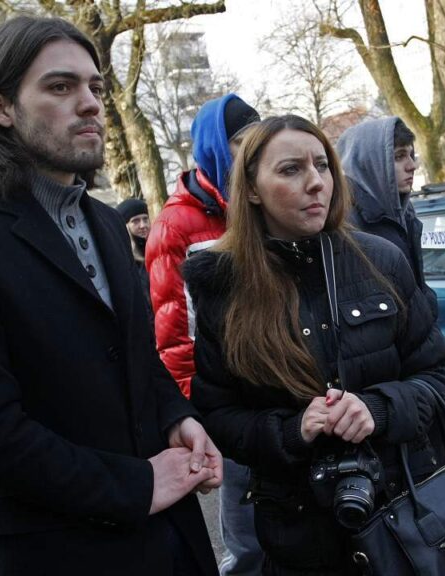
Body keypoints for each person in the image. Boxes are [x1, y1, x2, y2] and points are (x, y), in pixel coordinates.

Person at [0, 16, 221, 576]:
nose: (90, 103)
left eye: (95, 86)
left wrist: (175, 415)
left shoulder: (107, 223)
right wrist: (137, 484)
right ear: (0, 108)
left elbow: (136, 355)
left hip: (170, 536)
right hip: (54, 548)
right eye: (60, 86)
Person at [184, 115, 445, 575]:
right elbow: (219, 415)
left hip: (400, 516)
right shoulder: (223, 284)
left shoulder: (381, 260)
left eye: (322, 165)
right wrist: (293, 431)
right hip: (297, 534)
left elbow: (441, 381)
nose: (316, 182)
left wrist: (379, 409)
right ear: (252, 190)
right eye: (291, 169)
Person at [145, 93, 264, 576]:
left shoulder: (261, 202)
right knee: (244, 513)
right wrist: (191, 408)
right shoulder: (174, 226)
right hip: (225, 394)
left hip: (277, 383)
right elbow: (173, 329)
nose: (252, 150)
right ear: (216, 145)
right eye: (240, 141)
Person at [336, 117, 437, 317]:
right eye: (399, 157)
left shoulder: (405, 213)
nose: (412, 165)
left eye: (411, 154)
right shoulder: (345, 224)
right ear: (368, 163)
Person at [115, 197, 151, 303]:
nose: (143, 225)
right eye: (135, 221)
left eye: (145, 219)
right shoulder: (122, 258)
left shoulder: (157, 249)